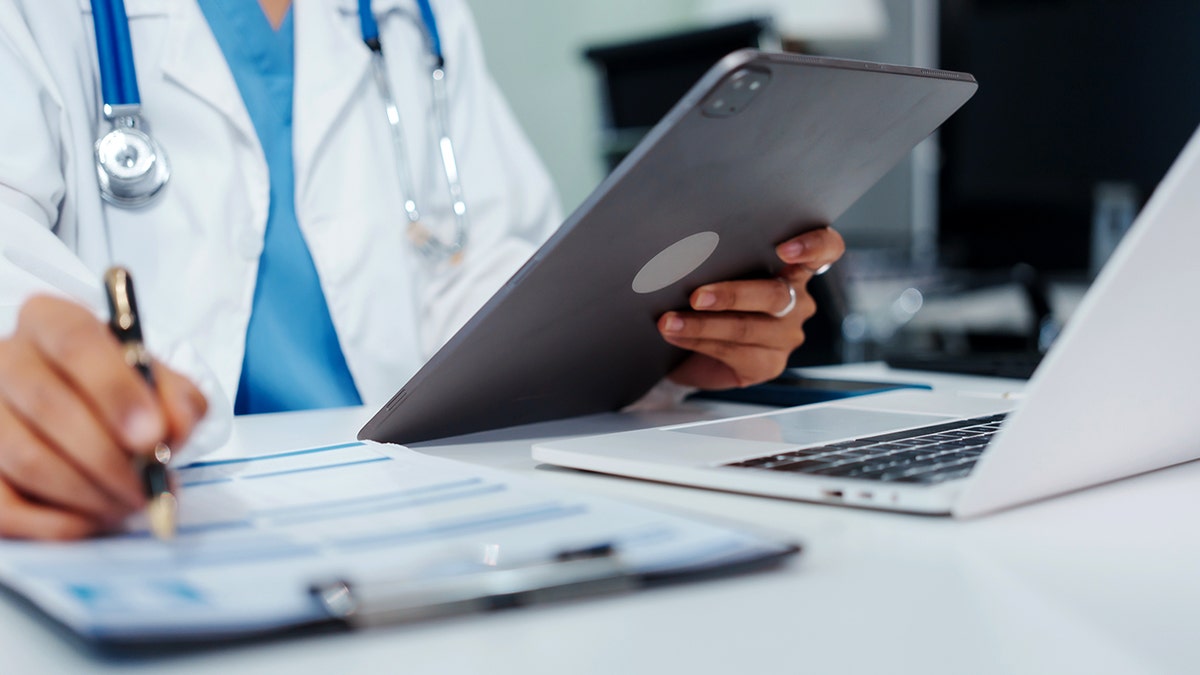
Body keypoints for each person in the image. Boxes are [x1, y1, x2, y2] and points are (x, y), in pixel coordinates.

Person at [0, 0, 844, 540]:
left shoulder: (419, 15)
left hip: (407, 516)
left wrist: (659, 338)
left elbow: (482, 276)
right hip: (158, 523)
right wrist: (47, 396)